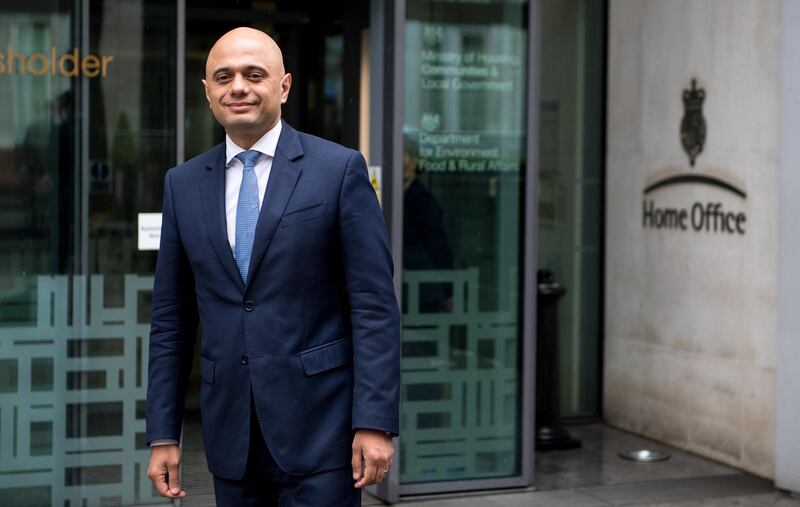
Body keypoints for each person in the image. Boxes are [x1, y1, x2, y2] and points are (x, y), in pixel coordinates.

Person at [145, 27, 400, 506]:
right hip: (230, 442)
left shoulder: (338, 169)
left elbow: (373, 307)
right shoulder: (182, 184)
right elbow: (170, 322)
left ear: (283, 86)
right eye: (223, 76)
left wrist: (374, 421)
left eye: (253, 74)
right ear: (207, 91)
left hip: (324, 435)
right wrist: (163, 432)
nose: (237, 86)